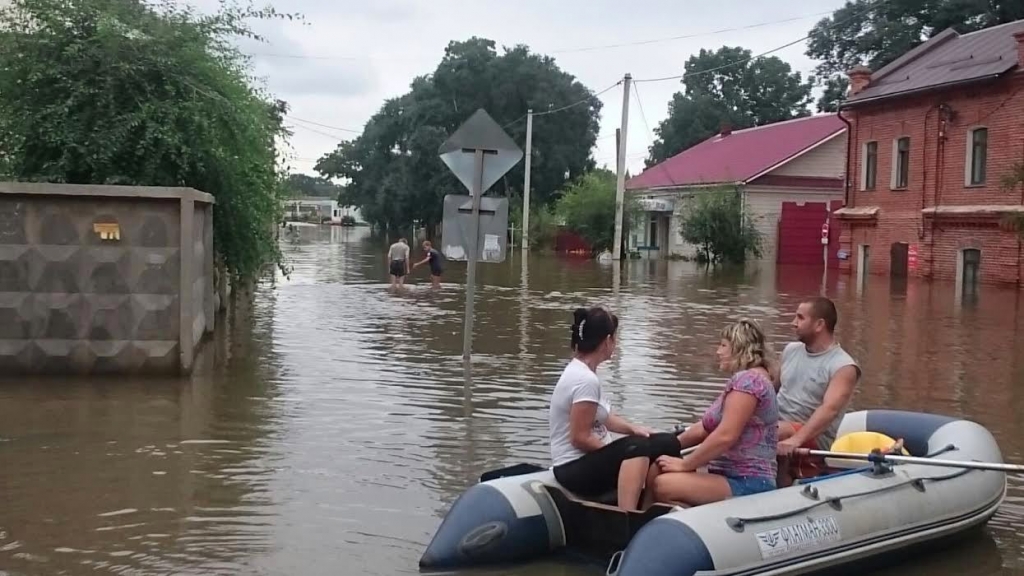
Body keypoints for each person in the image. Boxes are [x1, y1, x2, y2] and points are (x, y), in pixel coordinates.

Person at [549, 306, 682, 511]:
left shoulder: (586, 373)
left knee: (667, 442)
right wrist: (618, 454)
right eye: (615, 339)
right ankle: (626, 516)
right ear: (608, 341)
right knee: (636, 448)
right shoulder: (585, 380)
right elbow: (579, 438)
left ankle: (648, 507)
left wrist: (634, 429)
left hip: (589, 461)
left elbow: (605, 417)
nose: (616, 345)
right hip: (572, 468)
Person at [642, 319, 779, 509]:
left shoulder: (749, 382)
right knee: (658, 466)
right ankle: (639, 523)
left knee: (664, 485)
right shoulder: (752, 379)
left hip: (747, 480)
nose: (718, 352)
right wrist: (666, 443)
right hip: (726, 473)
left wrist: (685, 464)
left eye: (723, 346)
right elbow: (706, 427)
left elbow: (726, 436)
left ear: (740, 349)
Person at [775, 297, 861, 487]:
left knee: (765, 433)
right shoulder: (790, 350)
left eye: (800, 318)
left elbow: (829, 410)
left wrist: (796, 440)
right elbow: (771, 391)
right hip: (777, 425)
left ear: (819, 324)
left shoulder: (843, 366)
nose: (793, 323)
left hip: (809, 437)